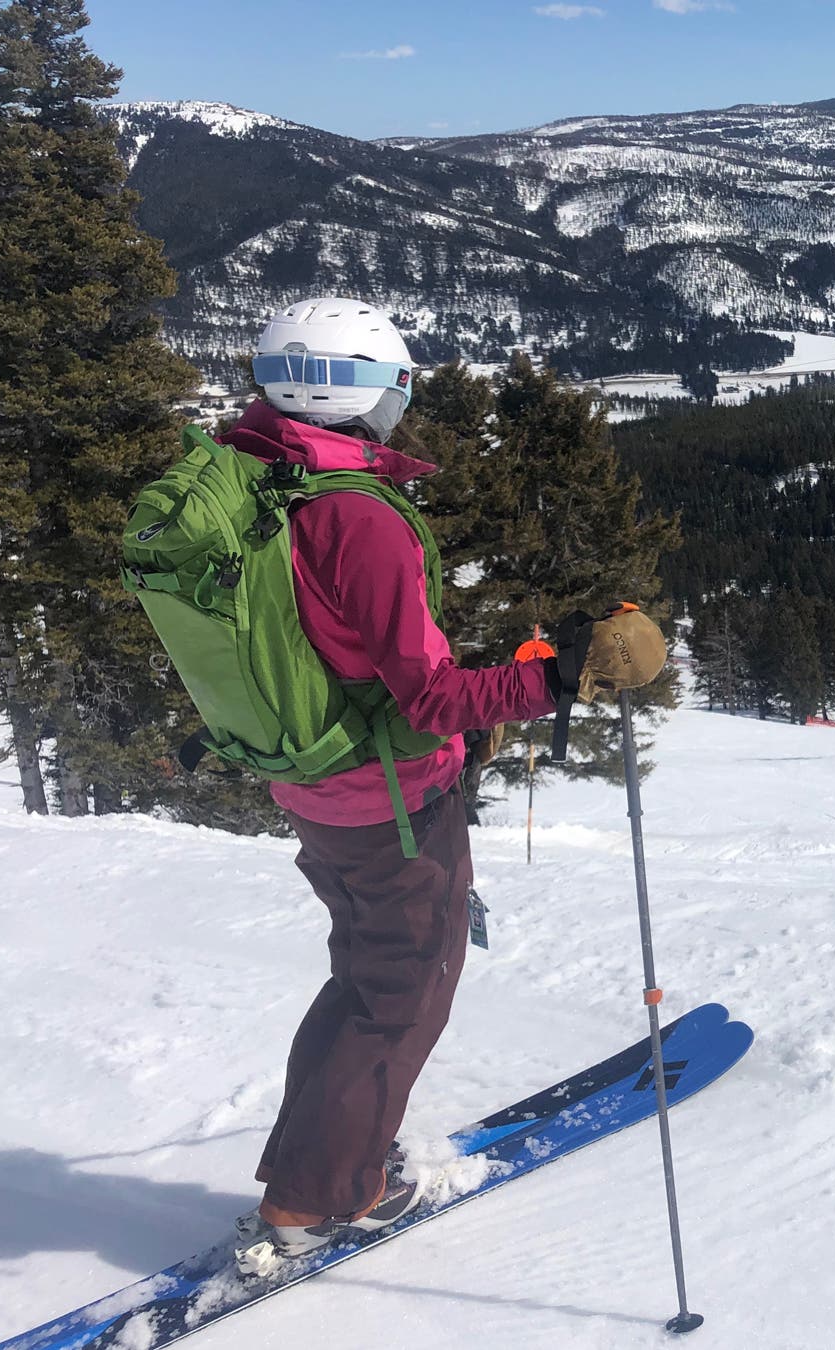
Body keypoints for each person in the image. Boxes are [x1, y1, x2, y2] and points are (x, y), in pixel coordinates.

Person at [211, 297, 666, 1269]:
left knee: (364, 983)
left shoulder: (255, 481)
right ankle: (311, 1204)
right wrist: (560, 677)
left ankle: (334, 1168)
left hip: (319, 783)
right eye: (401, 386)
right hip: (388, 804)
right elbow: (425, 696)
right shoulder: (354, 518)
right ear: (367, 394)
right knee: (400, 997)